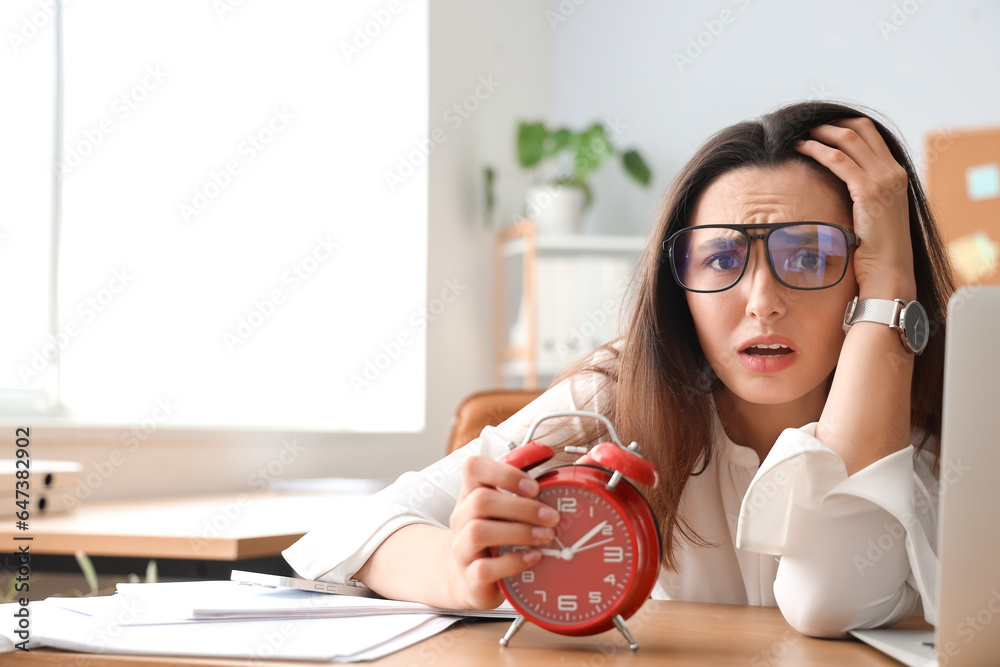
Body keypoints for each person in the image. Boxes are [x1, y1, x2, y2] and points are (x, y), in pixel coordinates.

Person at [284, 100, 956, 637]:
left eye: (809, 257)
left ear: (864, 279)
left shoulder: (955, 427)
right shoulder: (619, 394)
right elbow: (348, 533)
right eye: (721, 260)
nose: (763, 301)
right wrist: (458, 572)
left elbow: (827, 599)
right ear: (679, 287)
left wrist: (893, 291)